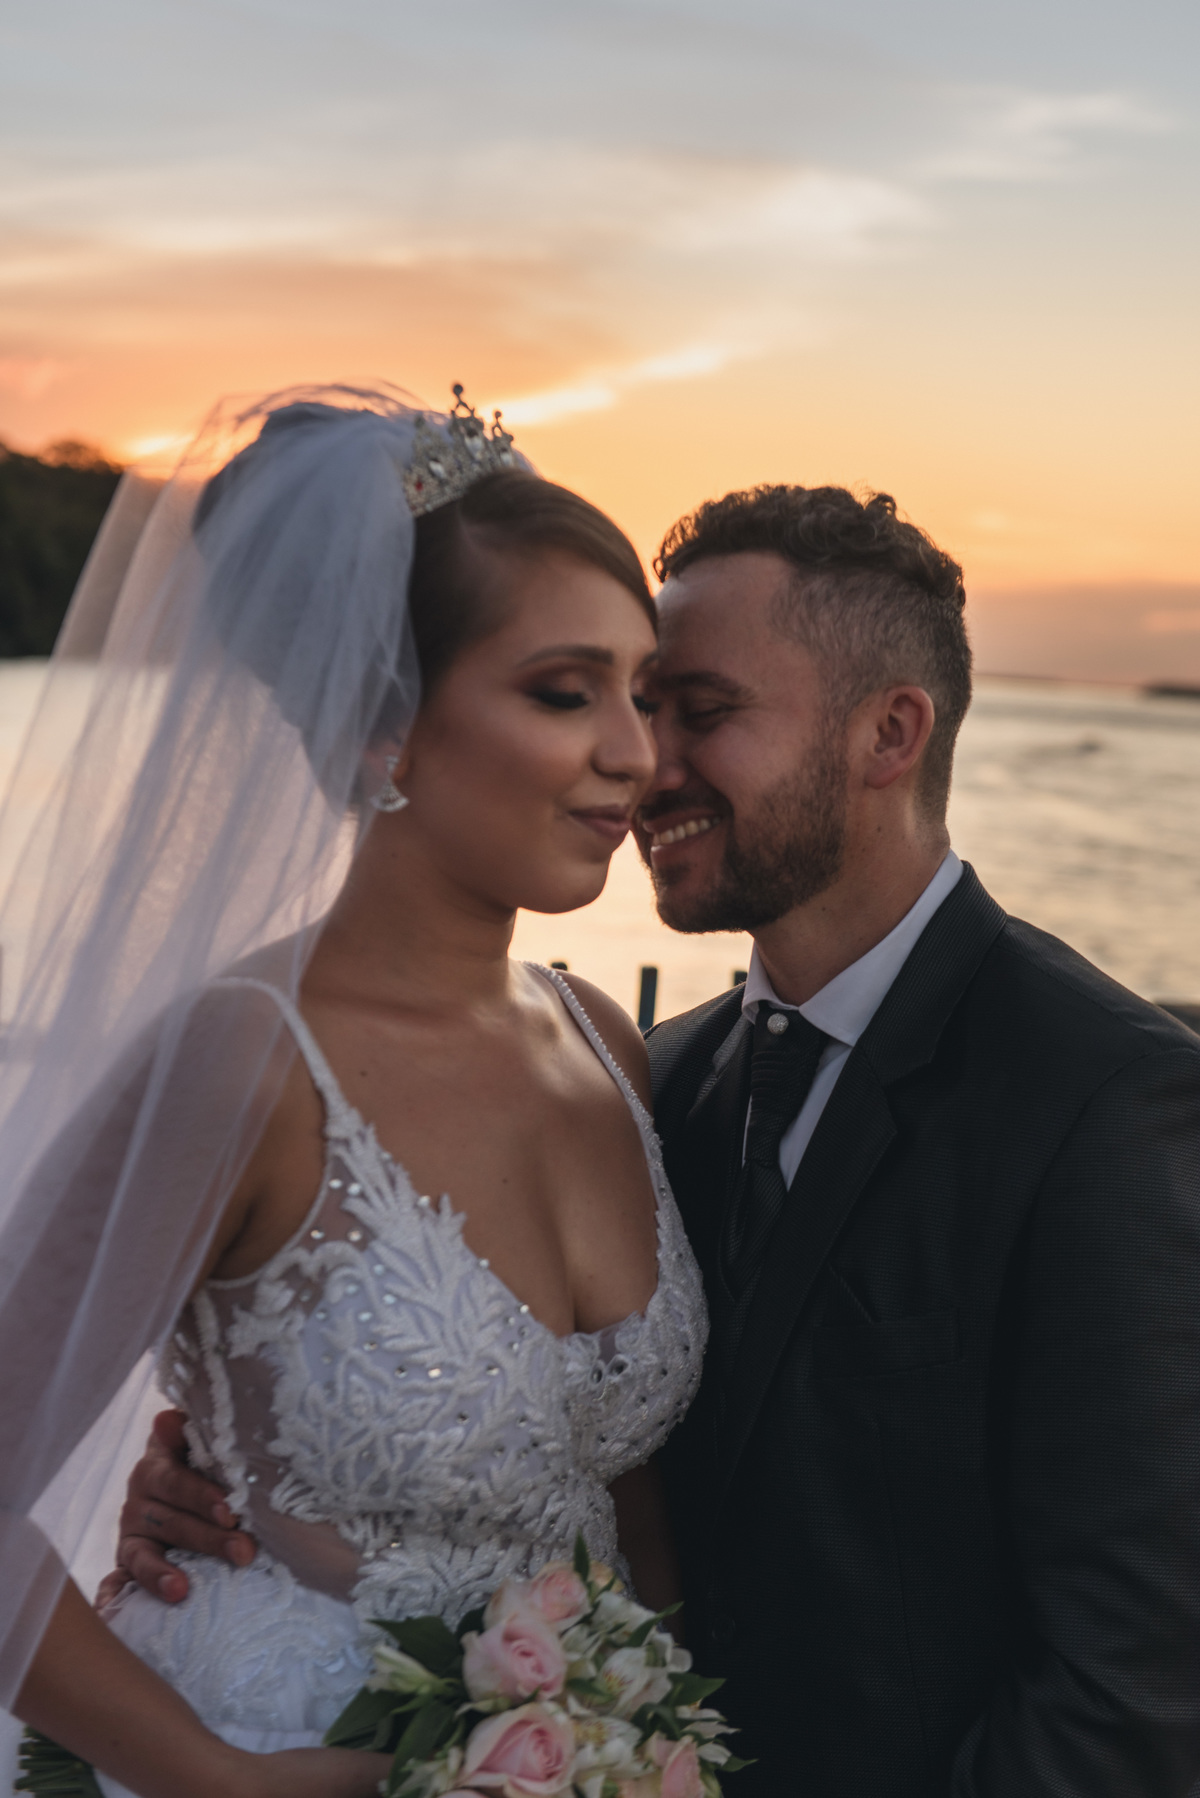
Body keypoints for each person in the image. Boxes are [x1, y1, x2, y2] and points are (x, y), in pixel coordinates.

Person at [124, 478, 1200, 1795]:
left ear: (890, 733)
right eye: (629, 699)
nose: (643, 759)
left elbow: (1134, 1681)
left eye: (702, 710)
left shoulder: (1105, 1101)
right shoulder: (650, 1075)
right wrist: (247, 1480)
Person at [0, 386, 706, 1798]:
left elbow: (623, 1507)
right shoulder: (245, 1061)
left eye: (645, 690)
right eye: (564, 691)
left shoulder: (602, 1043)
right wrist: (214, 1775)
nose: (638, 752)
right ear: (386, 724)